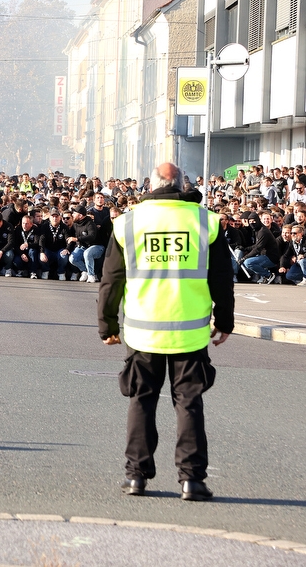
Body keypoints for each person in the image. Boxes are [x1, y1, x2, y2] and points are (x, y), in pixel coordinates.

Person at [98, 162, 234, 502]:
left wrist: (108, 325)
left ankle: (136, 477)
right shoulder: (205, 222)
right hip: (189, 332)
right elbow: (221, 279)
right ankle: (192, 480)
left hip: (143, 332)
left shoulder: (127, 223)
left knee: (141, 402)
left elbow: (111, 280)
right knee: (189, 404)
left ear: (153, 184)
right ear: (181, 184)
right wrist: (225, 321)